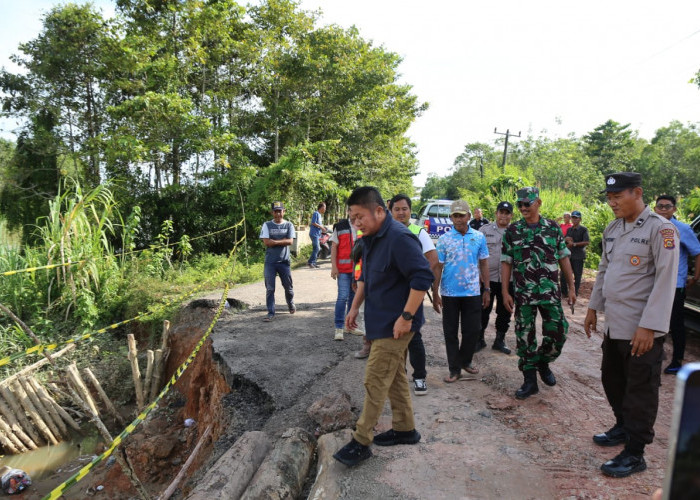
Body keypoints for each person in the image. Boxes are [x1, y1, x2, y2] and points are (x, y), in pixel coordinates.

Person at [583, 172, 679, 478]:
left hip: (642, 330)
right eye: (609, 198)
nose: (612, 203)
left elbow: (666, 282)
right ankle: (623, 427)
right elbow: (603, 270)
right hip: (616, 325)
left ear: (637, 192)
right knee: (613, 380)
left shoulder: (661, 230)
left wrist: (650, 326)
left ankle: (636, 453)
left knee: (640, 390)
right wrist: (593, 307)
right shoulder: (613, 228)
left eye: (617, 197)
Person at [333, 187, 433, 467]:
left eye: (359, 216)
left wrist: (406, 316)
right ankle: (405, 429)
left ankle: (361, 440)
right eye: (353, 218)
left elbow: (422, 276)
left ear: (379, 211)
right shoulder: (372, 237)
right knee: (396, 377)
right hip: (379, 322)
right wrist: (354, 307)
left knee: (375, 378)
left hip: (397, 325)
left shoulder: (400, 238)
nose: (356, 223)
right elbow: (365, 276)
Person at [502, 187, 576, 399]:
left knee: (558, 332)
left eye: (527, 203)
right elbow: (506, 262)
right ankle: (530, 380)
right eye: (520, 205)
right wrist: (506, 291)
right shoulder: (513, 231)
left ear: (539, 203)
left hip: (549, 292)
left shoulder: (552, 228)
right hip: (523, 294)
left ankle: (543, 362)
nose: (524, 208)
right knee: (524, 337)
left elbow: (564, 258)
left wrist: (571, 287)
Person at [433, 200, 490, 383]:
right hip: (449, 293)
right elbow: (438, 267)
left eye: (461, 215)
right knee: (450, 332)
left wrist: (487, 289)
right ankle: (454, 369)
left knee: (472, 330)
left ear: (469, 216)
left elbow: (484, 263)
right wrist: (435, 292)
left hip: (472, 292)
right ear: (451, 218)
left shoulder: (479, 237)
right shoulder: (444, 240)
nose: (458, 219)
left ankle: (465, 361)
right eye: (455, 216)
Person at [388, 194, 440, 395]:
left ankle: (419, 376)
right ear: (390, 211)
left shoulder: (418, 232)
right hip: (391, 293)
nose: (401, 212)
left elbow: (433, 259)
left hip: (413, 292)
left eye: (405, 209)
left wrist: (417, 277)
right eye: (397, 209)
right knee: (391, 333)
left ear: (411, 211)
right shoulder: (386, 232)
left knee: (413, 334)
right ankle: (398, 375)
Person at [652, 195, 700, 374]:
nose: (663, 210)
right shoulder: (652, 228)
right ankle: (656, 357)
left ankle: (677, 361)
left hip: (675, 285)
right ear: (655, 208)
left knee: (675, 324)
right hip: (654, 284)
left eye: (667, 206)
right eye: (660, 206)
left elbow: (697, 251)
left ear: (674, 209)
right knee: (654, 322)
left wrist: (695, 277)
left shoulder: (682, 229)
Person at [478, 201, 514, 354]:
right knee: (482, 309)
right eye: (501, 212)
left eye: (507, 213)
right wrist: (478, 272)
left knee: (505, 311)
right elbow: (476, 253)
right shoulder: (484, 231)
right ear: (496, 213)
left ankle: (499, 340)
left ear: (511, 215)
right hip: (487, 278)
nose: (503, 216)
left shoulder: (516, 232)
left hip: (509, 279)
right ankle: (479, 339)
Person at [259, 201, 296, 322]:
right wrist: (281, 241)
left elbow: (290, 241)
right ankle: (270, 312)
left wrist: (274, 242)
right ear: (272, 212)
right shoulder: (266, 225)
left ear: (284, 212)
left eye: (280, 211)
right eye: (276, 211)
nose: (278, 213)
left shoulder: (289, 225)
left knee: (288, 287)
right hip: (270, 262)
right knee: (270, 288)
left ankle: (290, 303)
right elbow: (266, 242)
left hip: (284, 262)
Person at [330, 215, 364, 341]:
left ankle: (350, 326)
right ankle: (339, 327)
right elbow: (334, 246)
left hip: (358, 270)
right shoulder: (340, 227)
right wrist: (334, 266)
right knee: (342, 297)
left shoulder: (363, 225)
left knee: (354, 298)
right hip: (343, 270)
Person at [561, 210, 590, 297]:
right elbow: (566, 239)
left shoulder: (583, 229)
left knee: (577, 276)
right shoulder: (570, 229)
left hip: (578, 255)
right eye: (573, 218)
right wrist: (566, 240)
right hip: (569, 255)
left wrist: (574, 244)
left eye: (576, 218)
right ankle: (565, 293)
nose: (574, 220)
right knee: (563, 275)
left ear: (580, 219)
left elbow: (586, 242)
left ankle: (575, 292)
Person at [308, 202, 327, 268]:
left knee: (318, 248)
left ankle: (314, 263)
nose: (325, 209)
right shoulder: (316, 213)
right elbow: (313, 223)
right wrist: (321, 227)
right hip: (314, 234)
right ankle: (310, 262)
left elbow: (318, 224)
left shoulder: (319, 215)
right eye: (325, 207)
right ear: (321, 207)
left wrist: (323, 228)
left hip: (318, 234)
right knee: (317, 248)